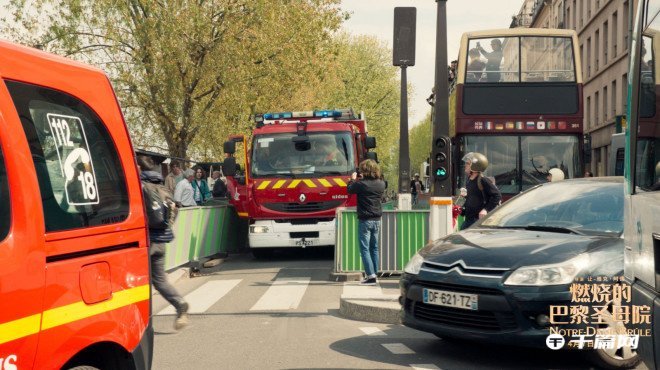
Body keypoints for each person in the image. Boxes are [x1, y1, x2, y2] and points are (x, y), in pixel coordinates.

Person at [136, 155, 189, 331]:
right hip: (162, 240)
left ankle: (142, 323)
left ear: (138, 168)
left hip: (145, 241)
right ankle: (179, 302)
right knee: (159, 280)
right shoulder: (162, 186)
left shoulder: (141, 187)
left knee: (137, 284)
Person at [347, 159, 386, 285]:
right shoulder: (381, 184)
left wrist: (352, 179)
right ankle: (374, 273)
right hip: (377, 220)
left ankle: (370, 276)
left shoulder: (361, 184)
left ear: (365, 171)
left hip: (365, 220)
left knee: (364, 249)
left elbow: (350, 189)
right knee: (374, 248)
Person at [460, 152, 502, 230]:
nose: (465, 165)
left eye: (468, 163)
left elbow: (497, 195)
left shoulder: (483, 180)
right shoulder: (469, 180)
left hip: (478, 220)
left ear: (476, 166)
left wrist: (485, 210)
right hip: (469, 219)